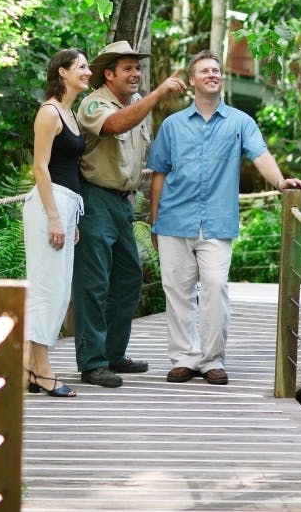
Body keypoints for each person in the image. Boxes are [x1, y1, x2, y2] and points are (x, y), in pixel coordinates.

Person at [148, 51, 301, 385]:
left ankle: (212, 360)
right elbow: (159, 174)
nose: (212, 74)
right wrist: (155, 221)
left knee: (216, 287)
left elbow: (260, 155)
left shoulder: (240, 122)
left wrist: (280, 182)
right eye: (205, 71)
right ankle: (184, 358)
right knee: (177, 290)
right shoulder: (173, 125)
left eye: (216, 70)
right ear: (192, 80)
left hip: (217, 222)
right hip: (174, 220)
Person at [73, 40, 187, 388]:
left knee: (128, 277)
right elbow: (116, 126)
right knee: (94, 282)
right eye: (128, 68)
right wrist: (159, 93)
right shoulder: (94, 103)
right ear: (109, 74)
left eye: (138, 68)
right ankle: (93, 362)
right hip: (95, 197)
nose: (136, 74)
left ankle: (113, 353)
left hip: (125, 202)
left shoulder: (137, 102)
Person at [23, 48, 91, 398]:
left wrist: (69, 218)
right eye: (81, 66)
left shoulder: (70, 113)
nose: (88, 71)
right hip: (48, 206)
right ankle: (42, 370)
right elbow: (40, 167)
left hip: (66, 205)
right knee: (47, 290)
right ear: (62, 72)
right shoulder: (50, 112)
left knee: (60, 291)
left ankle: (32, 368)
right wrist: (53, 215)